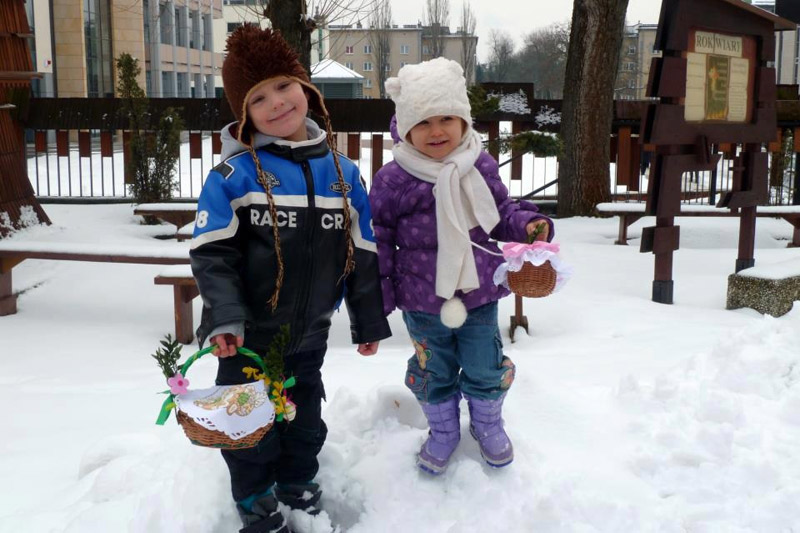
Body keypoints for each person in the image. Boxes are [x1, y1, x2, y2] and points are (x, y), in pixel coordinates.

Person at [190, 25, 391, 533]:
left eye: (283, 86)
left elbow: (362, 250)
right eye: (258, 98)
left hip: (309, 335)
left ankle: (297, 484)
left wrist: (368, 319)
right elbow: (212, 255)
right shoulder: (235, 177)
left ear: (306, 89)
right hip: (248, 338)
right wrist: (225, 317)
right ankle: (255, 499)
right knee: (248, 427)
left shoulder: (344, 174)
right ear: (244, 114)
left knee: (304, 421)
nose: (277, 102)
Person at [368, 57, 553, 475]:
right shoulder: (394, 178)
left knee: (484, 364)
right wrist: (378, 294)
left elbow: (500, 213)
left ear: (463, 120)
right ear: (406, 127)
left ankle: (487, 424)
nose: (436, 131)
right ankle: (444, 431)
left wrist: (528, 225)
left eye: (446, 119)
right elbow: (378, 237)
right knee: (433, 369)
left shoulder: (479, 165)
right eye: (423, 122)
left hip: (479, 294)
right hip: (421, 299)